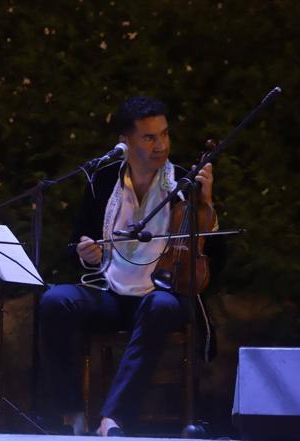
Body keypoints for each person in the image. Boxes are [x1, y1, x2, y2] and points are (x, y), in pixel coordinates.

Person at [38, 96, 217, 436]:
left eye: (164, 135)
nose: (160, 145)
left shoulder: (183, 182)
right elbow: (78, 239)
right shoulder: (104, 180)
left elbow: (211, 250)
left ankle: (113, 419)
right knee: (54, 301)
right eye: (149, 138)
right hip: (111, 293)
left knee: (160, 306)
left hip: (162, 295)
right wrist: (85, 251)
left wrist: (205, 202)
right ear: (125, 143)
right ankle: (71, 413)